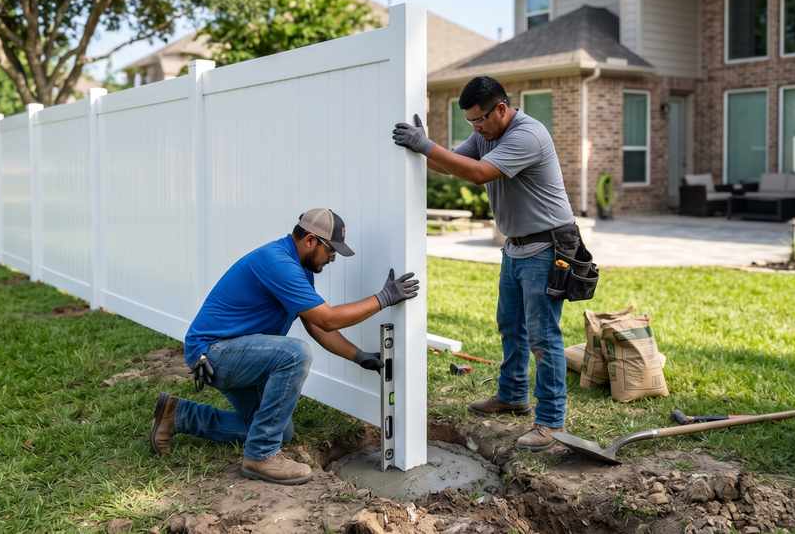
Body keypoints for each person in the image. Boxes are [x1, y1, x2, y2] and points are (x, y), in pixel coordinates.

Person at [148, 208, 419, 485]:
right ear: (311, 241)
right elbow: (327, 319)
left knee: (279, 431)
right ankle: (261, 456)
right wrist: (383, 298)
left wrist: (359, 356)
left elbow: (315, 325)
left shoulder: (297, 267)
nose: (333, 258)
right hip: (214, 353)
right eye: (331, 250)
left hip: (233, 351)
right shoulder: (277, 263)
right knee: (294, 354)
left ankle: (180, 415)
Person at [392, 76, 575, 451]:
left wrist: (425, 145)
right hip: (516, 246)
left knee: (543, 336)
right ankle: (513, 395)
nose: (475, 128)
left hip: (547, 247)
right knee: (510, 325)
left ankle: (551, 422)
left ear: (501, 109)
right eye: (470, 122)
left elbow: (477, 174)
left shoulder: (528, 135)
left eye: (479, 120)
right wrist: (425, 147)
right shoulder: (485, 135)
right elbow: (452, 165)